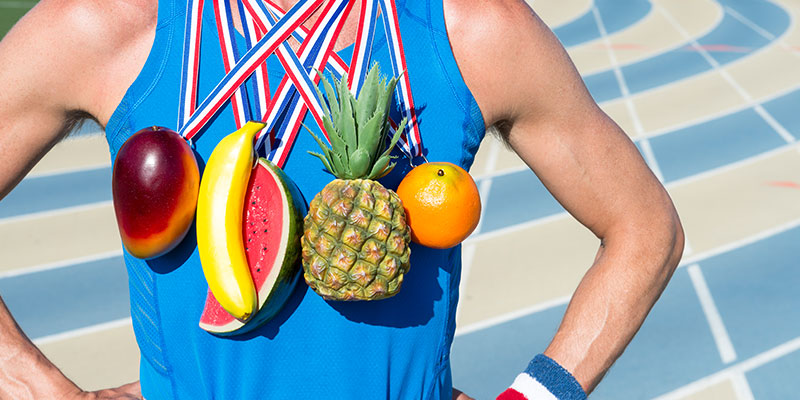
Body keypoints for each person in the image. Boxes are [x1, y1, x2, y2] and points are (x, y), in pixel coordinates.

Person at [0, 0, 684, 398]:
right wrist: (36, 385)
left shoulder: (473, 32)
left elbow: (645, 227)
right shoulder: (109, 27)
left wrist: (532, 396)